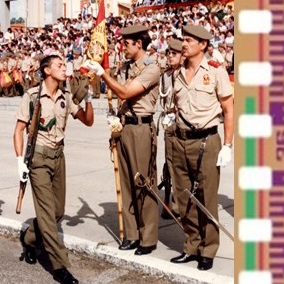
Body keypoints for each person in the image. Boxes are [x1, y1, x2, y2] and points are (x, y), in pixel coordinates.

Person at [13, 54, 94, 284]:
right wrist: (20, 161)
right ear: (46, 71)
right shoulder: (31, 96)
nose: (64, 68)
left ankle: (29, 239)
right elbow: (18, 130)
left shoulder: (65, 96)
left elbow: (87, 121)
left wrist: (88, 99)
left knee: (57, 212)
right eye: (59, 65)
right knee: (48, 216)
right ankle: (60, 265)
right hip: (38, 158)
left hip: (59, 157)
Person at [86, 24, 160, 256]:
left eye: (127, 43)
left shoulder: (152, 68)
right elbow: (119, 94)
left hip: (141, 129)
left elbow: (126, 93)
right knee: (127, 182)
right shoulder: (126, 67)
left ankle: (147, 237)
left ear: (139, 44)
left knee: (143, 182)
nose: (122, 47)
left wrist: (103, 74)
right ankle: (131, 234)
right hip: (124, 126)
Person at [170, 25, 233, 271]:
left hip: (207, 141)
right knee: (184, 195)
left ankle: (208, 249)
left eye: (188, 40)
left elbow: (228, 109)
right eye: (183, 40)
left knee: (207, 196)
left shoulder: (215, 71)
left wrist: (227, 144)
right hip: (180, 139)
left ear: (203, 44)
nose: (183, 44)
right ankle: (191, 245)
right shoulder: (177, 72)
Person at [159, 39, 184, 219]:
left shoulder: (186, 73)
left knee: (182, 164)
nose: (170, 56)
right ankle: (169, 201)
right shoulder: (165, 76)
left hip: (183, 122)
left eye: (174, 53)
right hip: (169, 122)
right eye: (168, 53)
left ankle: (180, 204)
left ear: (183, 56)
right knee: (169, 162)